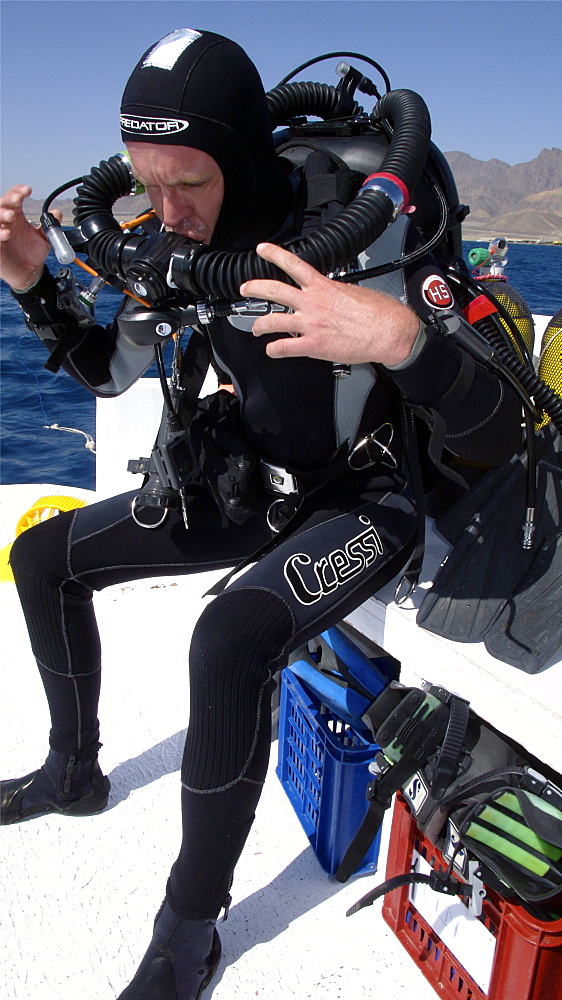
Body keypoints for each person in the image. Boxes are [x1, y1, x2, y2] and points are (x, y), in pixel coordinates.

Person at [0, 28, 522, 1000]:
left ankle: (187, 931)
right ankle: (72, 771)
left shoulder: (366, 234)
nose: (164, 213)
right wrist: (34, 278)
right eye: (145, 185)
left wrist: (406, 341)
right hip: (256, 480)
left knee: (227, 635)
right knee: (41, 558)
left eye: (188, 182)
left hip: (370, 496)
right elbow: (107, 372)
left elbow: (498, 429)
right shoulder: (173, 243)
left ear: (241, 157)